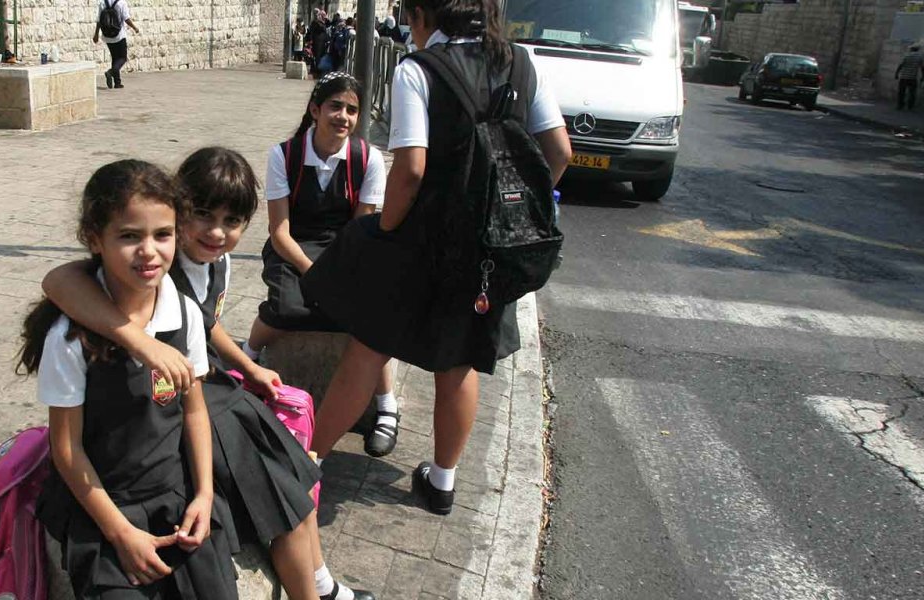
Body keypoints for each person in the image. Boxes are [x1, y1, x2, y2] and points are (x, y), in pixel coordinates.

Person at [40, 149, 375, 600]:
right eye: (202, 214)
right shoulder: (118, 298)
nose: (216, 232)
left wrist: (250, 367)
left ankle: (318, 582)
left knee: (287, 466)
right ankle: (316, 584)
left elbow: (205, 325)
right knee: (269, 465)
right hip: (149, 446)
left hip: (194, 399)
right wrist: (143, 343)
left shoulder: (200, 275)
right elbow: (59, 281)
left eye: (232, 220)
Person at [301, 0, 572, 516]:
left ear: (424, 15)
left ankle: (308, 463)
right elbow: (558, 152)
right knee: (459, 360)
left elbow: (411, 170)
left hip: (421, 239)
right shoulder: (521, 61)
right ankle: (442, 482)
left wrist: (384, 228)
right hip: (487, 248)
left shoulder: (417, 70)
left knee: (368, 348)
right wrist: (506, 211)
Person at [21, 160, 236, 599]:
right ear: (93, 240)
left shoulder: (186, 315)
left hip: (173, 494)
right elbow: (66, 448)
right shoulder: (71, 337)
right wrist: (119, 532)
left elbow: (194, 410)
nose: (149, 251)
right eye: (129, 236)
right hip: (102, 505)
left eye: (163, 234)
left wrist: (203, 494)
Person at [241, 73, 402, 459]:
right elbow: (279, 230)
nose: (343, 116)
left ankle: (386, 406)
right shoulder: (284, 155)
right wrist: (313, 272)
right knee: (286, 307)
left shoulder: (368, 159)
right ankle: (247, 357)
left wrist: (338, 274)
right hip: (293, 246)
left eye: (351, 109)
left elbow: (361, 229)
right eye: (334, 106)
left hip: (345, 248)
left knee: (365, 316)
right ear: (315, 109)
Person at [95, 0, 141, 89]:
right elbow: (126, 19)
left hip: (107, 36)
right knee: (122, 58)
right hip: (119, 35)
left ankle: (117, 82)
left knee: (115, 58)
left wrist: (96, 34)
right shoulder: (121, 3)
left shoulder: (102, 3)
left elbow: (99, 21)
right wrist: (135, 28)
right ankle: (111, 72)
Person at [895, 45, 924, 111]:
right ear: (917, 49)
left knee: (901, 92)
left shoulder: (907, 56)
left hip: (904, 77)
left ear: (911, 49)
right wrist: (923, 77)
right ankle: (910, 106)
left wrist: (896, 74)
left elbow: (901, 65)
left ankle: (900, 105)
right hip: (913, 78)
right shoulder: (920, 57)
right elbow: (923, 67)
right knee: (912, 93)